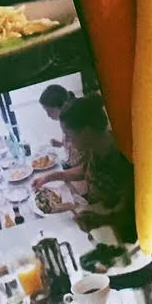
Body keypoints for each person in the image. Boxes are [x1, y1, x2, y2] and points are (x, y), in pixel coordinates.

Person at [55, 97, 135, 239]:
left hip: (118, 230)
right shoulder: (95, 148)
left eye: (69, 135)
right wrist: (54, 176)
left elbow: (130, 213)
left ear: (86, 132)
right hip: (97, 212)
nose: (66, 141)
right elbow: (86, 169)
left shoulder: (123, 160)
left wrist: (98, 220)